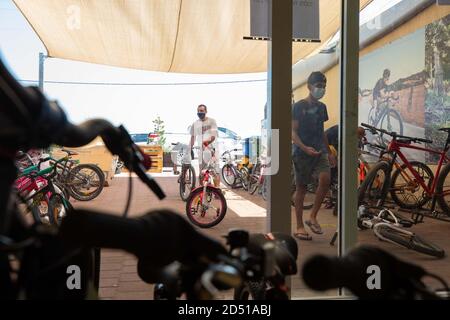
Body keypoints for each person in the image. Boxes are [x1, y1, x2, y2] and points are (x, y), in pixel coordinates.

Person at [292, 71, 336, 240]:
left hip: (319, 151)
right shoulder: (299, 106)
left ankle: (312, 216)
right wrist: (304, 148)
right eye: (319, 86)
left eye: (324, 86)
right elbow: (293, 132)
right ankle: (299, 226)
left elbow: (322, 132)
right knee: (301, 189)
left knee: (325, 179)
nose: (321, 89)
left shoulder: (322, 108)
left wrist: (330, 152)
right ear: (309, 87)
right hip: (301, 153)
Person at [189, 104, 220, 187]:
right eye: (198, 111)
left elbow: (213, 136)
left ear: (206, 111)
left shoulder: (212, 121)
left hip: (212, 149)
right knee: (201, 172)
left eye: (202, 111)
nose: (200, 112)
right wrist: (189, 149)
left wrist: (205, 143)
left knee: (215, 171)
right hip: (201, 151)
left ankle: (217, 191)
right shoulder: (195, 124)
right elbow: (192, 138)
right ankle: (201, 190)